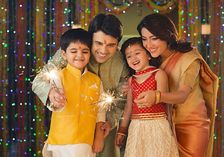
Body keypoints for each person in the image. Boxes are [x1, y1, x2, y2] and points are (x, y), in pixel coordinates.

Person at [32, 14, 128, 157]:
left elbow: (120, 99)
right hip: (69, 131)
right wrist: (51, 92)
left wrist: (108, 123)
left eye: (111, 45)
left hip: (104, 127)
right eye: (98, 43)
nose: (103, 50)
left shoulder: (122, 62)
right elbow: (39, 80)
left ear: (118, 44)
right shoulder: (72, 51)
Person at [136, 13, 218, 157]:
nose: (148, 45)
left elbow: (182, 95)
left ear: (167, 35)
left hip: (192, 126)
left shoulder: (189, 59)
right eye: (144, 39)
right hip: (164, 126)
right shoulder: (152, 62)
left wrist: (156, 97)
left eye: (154, 38)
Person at [41, 28, 106, 157]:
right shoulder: (58, 76)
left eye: (85, 51)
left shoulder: (96, 81)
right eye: (74, 51)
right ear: (64, 54)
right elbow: (53, 104)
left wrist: (99, 138)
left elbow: (101, 111)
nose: (80, 55)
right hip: (60, 140)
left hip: (86, 140)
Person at [115, 37, 179, 157]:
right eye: (129, 56)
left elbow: (164, 100)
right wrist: (122, 130)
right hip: (136, 127)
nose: (133, 58)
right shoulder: (131, 80)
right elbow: (129, 107)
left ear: (149, 55)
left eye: (137, 53)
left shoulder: (158, 74)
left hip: (157, 125)